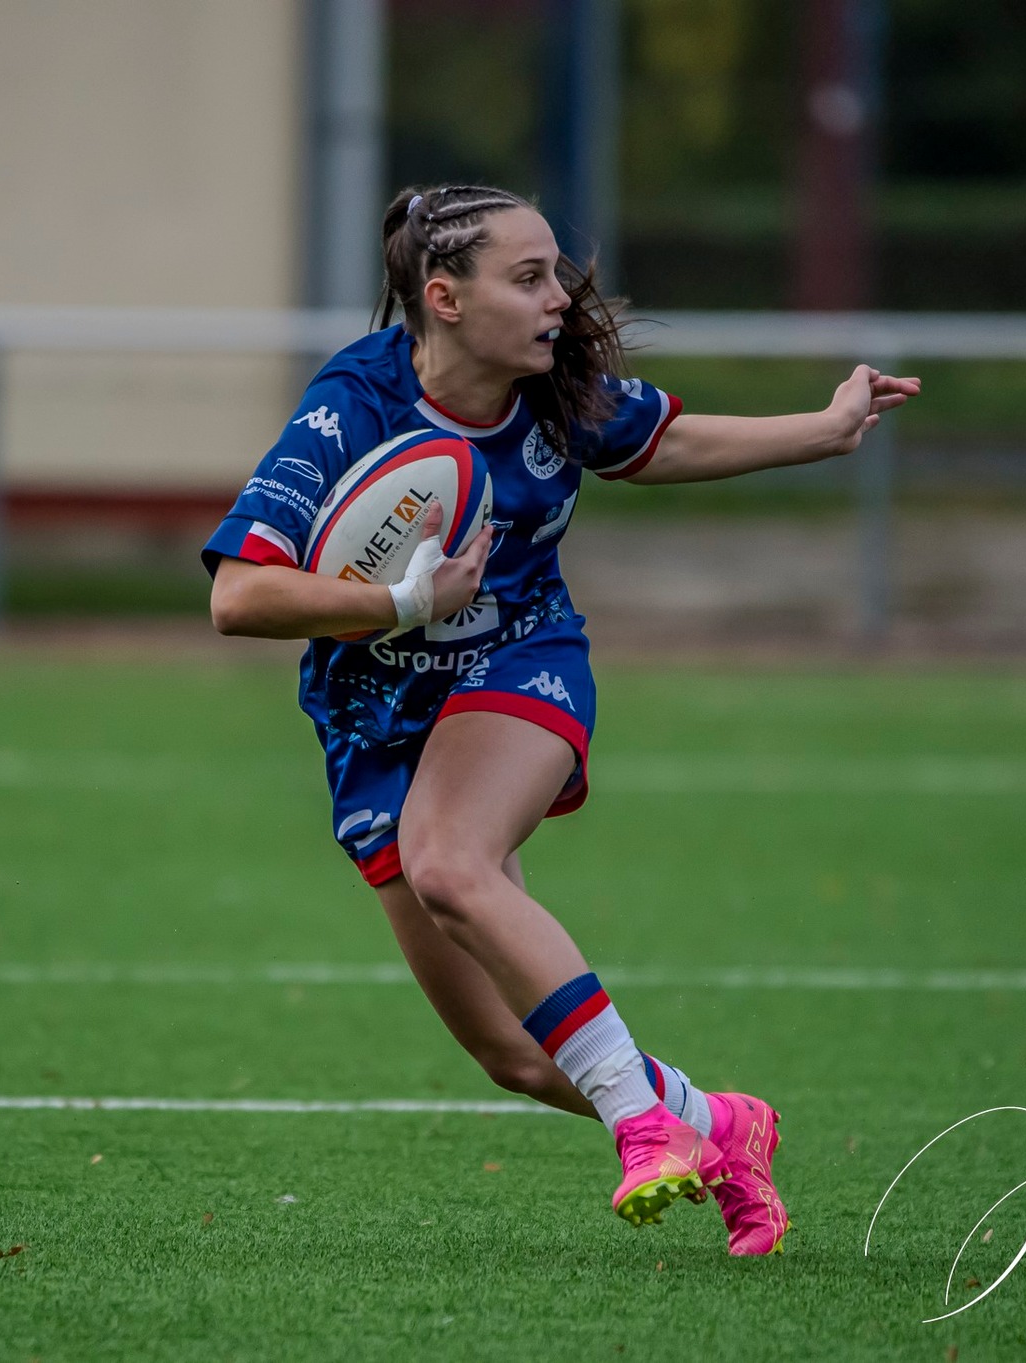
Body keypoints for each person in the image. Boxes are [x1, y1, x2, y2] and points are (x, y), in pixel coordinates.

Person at [205, 184, 919, 1255]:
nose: (559, 300)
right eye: (528, 277)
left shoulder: (553, 388)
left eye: (556, 273)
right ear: (443, 298)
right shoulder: (350, 405)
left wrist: (824, 429)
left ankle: (642, 1128)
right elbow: (238, 597)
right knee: (515, 1052)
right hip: (373, 716)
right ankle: (718, 1124)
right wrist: (401, 602)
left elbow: (665, 442)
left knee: (447, 859)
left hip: (518, 662)